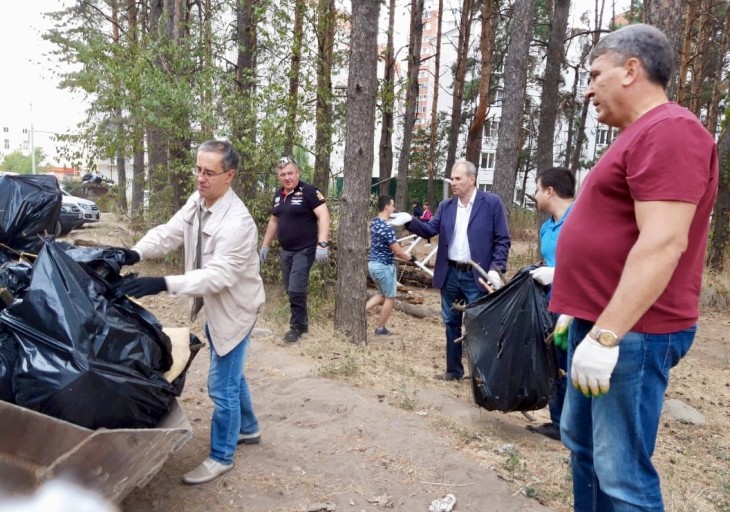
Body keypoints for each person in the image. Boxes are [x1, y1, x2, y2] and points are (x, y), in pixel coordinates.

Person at [549, 24, 718, 510]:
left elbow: (664, 242)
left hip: (632, 333)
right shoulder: (636, 134)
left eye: (594, 74)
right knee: (585, 450)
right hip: (601, 321)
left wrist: (606, 335)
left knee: (622, 473)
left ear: (630, 70)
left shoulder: (672, 131)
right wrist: (581, 307)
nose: (586, 89)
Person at [114, 140, 266, 485]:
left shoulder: (238, 224)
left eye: (209, 172)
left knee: (221, 385)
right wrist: (134, 254)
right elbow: (170, 232)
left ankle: (222, 456)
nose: (200, 178)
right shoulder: (198, 202)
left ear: (229, 176)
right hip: (216, 306)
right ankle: (250, 429)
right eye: (198, 169)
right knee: (231, 372)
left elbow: (218, 276)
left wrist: (162, 283)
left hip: (236, 309)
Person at [390, 160, 511, 381]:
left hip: (477, 276)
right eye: (452, 179)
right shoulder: (446, 206)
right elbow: (429, 229)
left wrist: (495, 269)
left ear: (472, 179)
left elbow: (502, 240)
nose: (453, 183)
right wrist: (410, 221)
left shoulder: (491, 203)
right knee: (450, 323)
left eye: (457, 179)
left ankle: (481, 376)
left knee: (477, 325)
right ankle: (453, 371)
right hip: (451, 274)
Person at [525, 167, 575, 442]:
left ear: (549, 191)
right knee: (553, 364)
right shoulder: (547, 226)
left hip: (575, 309)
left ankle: (573, 426)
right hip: (551, 304)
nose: (534, 195)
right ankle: (558, 423)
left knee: (569, 365)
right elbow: (550, 261)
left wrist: (559, 275)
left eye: (536, 189)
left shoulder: (582, 220)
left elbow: (593, 265)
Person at [260, 156, 331, 343]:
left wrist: (322, 243)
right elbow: (274, 220)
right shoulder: (278, 195)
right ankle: (302, 322)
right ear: (279, 177)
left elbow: (323, 215)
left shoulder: (309, 191)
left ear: (297, 173)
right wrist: (265, 244)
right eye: (283, 174)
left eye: (290, 173)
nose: (287, 177)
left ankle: (297, 327)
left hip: (304, 249)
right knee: (290, 289)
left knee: (296, 287)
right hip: (286, 250)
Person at [367, 195, 418, 336]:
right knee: (390, 297)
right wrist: (411, 258)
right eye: (392, 205)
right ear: (387, 207)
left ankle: (359, 312)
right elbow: (398, 251)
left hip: (373, 265)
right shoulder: (386, 228)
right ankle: (380, 328)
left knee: (382, 295)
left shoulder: (375, 222)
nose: (394, 208)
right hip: (384, 267)